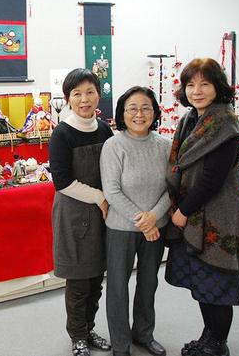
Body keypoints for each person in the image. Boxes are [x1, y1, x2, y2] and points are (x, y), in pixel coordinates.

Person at [165, 58, 239, 356]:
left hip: (217, 215)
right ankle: (208, 335)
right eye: (191, 84)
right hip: (194, 213)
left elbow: (212, 179)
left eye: (205, 84)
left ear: (218, 87)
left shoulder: (225, 123)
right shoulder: (190, 119)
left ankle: (218, 344)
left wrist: (183, 211)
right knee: (202, 282)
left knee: (218, 281)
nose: (197, 91)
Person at [99, 87, 171, 356]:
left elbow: (172, 188)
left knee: (148, 284)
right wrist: (144, 221)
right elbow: (111, 191)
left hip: (156, 228)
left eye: (145, 108)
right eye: (132, 108)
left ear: (154, 112)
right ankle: (120, 345)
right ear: (122, 113)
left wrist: (153, 218)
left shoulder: (165, 145)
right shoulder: (113, 145)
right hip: (121, 229)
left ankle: (143, 334)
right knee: (118, 287)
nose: (139, 114)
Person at [49, 68, 113, 356]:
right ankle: (77, 336)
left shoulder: (105, 130)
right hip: (74, 214)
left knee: (96, 279)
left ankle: (88, 329)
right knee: (79, 281)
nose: (84, 99)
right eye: (77, 94)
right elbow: (62, 182)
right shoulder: (61, 133)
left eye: (90, 92)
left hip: (101, 215)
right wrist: (100, 197)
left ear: (98, 95)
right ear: (68, 99)